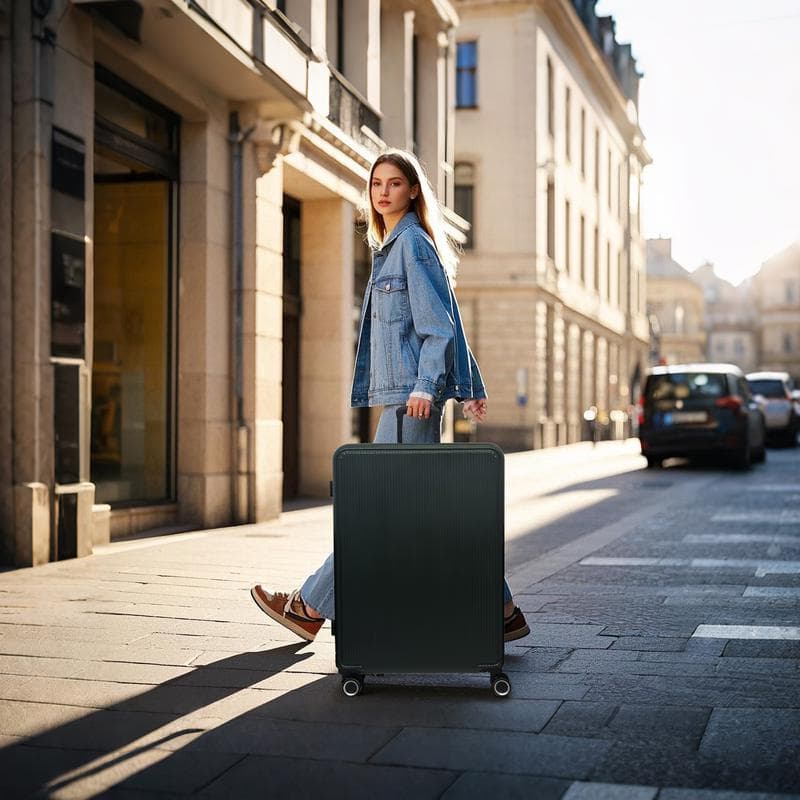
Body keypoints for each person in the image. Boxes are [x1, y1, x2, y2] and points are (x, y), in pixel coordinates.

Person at [250, 149, 530, 644]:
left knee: (373, 508)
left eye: (394, 183)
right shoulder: (397, 246)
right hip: (406, 396)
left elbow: (439, 327)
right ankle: (502, 608)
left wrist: (428, 386)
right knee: (425, 513)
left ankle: (310, 607)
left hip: (409, 401)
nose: (383, 191)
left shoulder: (412, 245)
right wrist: (467, 384)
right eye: (376, 183)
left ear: (413, 190)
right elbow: (449, 317)